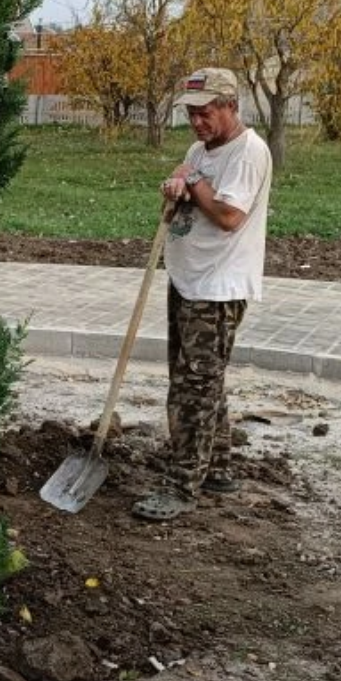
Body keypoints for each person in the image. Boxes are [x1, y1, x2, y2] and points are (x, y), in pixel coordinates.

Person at [135, 67, 273, 522]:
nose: (197, 122)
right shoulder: (200, 149)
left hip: (217, 288)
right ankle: (216, 467)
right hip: (188, 280)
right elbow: (185, 185)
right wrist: (176, 185)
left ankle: (181, 486)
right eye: (192, 113)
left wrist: (191, 183)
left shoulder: (248, 153)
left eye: (206, 112)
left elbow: (230, 216)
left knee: (193, 389)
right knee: (202, 379)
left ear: (231, 106)